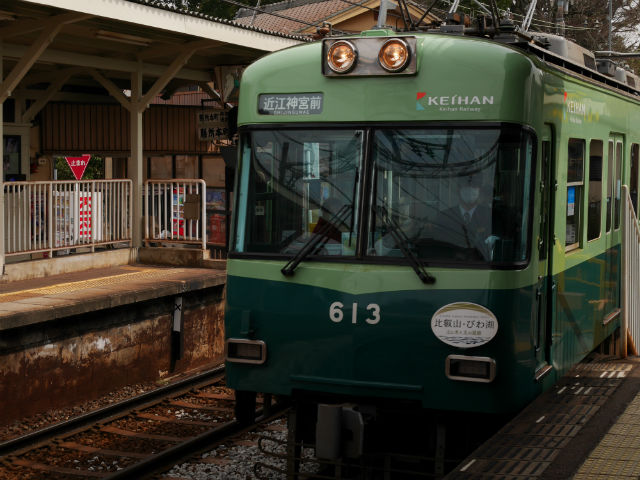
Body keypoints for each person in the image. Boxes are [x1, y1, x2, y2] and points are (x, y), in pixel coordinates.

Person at [433, 175, 498, 260]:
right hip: (450, 265)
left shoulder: (491, 216)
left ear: (480, 190)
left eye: (474, 186)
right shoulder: (444, 216)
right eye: (466, 185)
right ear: (458, 189)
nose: (470, 189)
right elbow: (439, 246)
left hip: (483, 266)